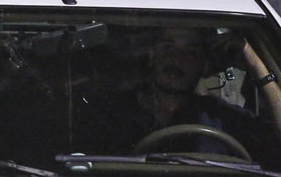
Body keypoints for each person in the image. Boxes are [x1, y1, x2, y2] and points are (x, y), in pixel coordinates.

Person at [79, 28, 281, 166]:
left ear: (204, 65)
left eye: (191, 51)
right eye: (168, 47)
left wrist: (254, 61)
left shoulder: (223, 120)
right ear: (151, 55)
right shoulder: (110, 115)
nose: (176, 59)